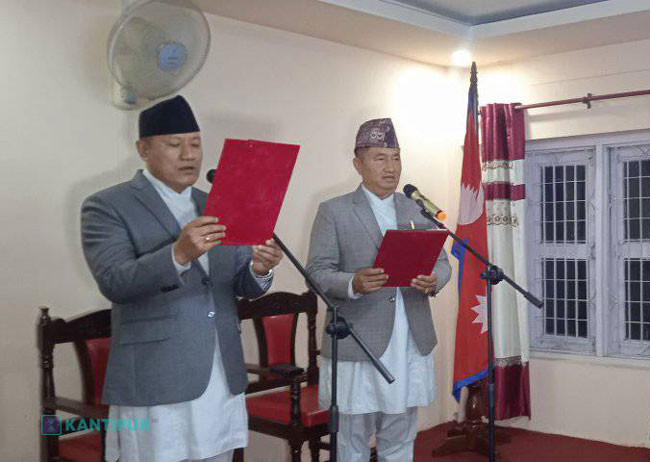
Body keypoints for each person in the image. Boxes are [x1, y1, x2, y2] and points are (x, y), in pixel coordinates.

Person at [80, 95, 284, 462]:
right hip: (157, 377)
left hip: (220, 372)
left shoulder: (218, 203)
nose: (188, 155)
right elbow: (114, 282)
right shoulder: (108, 205)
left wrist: (259, 269)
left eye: (195, 143)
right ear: (143, 149)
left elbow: (238, 284)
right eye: (174, 145)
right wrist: (178, 255)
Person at [305, 118, 451, 462]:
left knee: (401, 435)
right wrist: (352, 283)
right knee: (352, 439)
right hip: (358, 340)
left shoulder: (416, 208)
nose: (391, 167)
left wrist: (434, 280)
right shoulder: (334, 211)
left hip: (409, 338)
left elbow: (442, 262)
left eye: (396, 157)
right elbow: (316, 272)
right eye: (380, 158)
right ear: (358, 164)